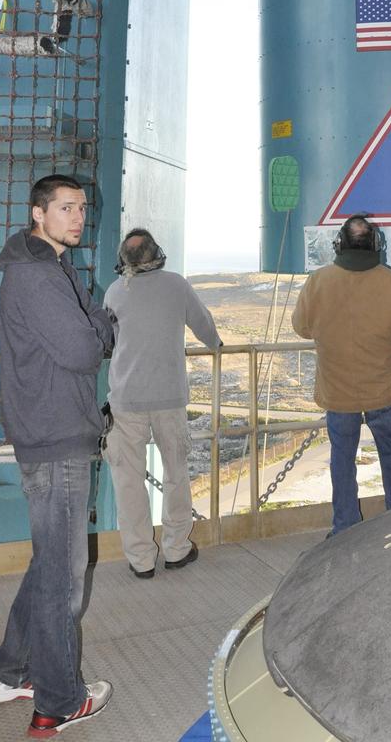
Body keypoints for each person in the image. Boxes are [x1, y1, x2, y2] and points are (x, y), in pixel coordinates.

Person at [0, 174, 114, 737]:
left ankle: (8, 673)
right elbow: (88, 346)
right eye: (65, 208)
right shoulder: (38, 275)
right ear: (38, 214)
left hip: (50, 430)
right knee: (63, 577)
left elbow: (94, 327)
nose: (78, 217)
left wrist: (98, 327)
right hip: (56, 436)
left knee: (49, 562)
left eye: (81, 208)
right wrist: (102, 329)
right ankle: (59, 700)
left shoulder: (50, 266)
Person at [292, 214, 391, 535]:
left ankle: (345, 528)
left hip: (337, 395)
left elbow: (301, 327)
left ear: (339, 243)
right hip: (384, 391)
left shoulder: (318, 282)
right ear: (376, 244)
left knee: (342, 461)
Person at [104, 228, 221, 577]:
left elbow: (109, 341)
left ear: (124, 260)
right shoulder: (176, 284)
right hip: (169, 397)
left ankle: (140, 560)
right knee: (176, 475)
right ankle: (176, 549)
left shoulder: (114, 291)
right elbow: (203, 326)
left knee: (128, 482)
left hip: (126, 400)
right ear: (158, 254)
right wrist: (215, 345)